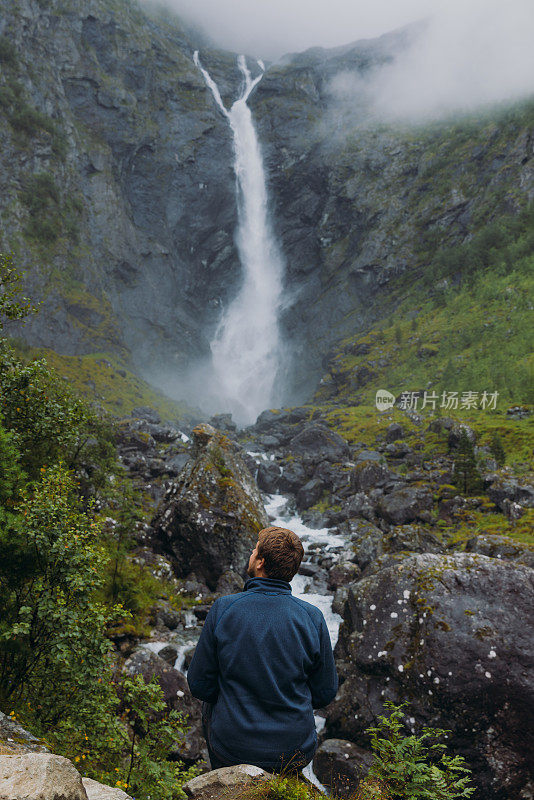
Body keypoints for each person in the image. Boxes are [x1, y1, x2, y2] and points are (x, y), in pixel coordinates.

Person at [187, 526, 338, 774]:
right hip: (293, 750)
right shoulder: (312, 617)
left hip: (233, 748)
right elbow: (325, 692)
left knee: (210, 705)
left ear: (260, 563)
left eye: (254, 549)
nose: (252, 552)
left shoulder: (224, 609)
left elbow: (199, 684)